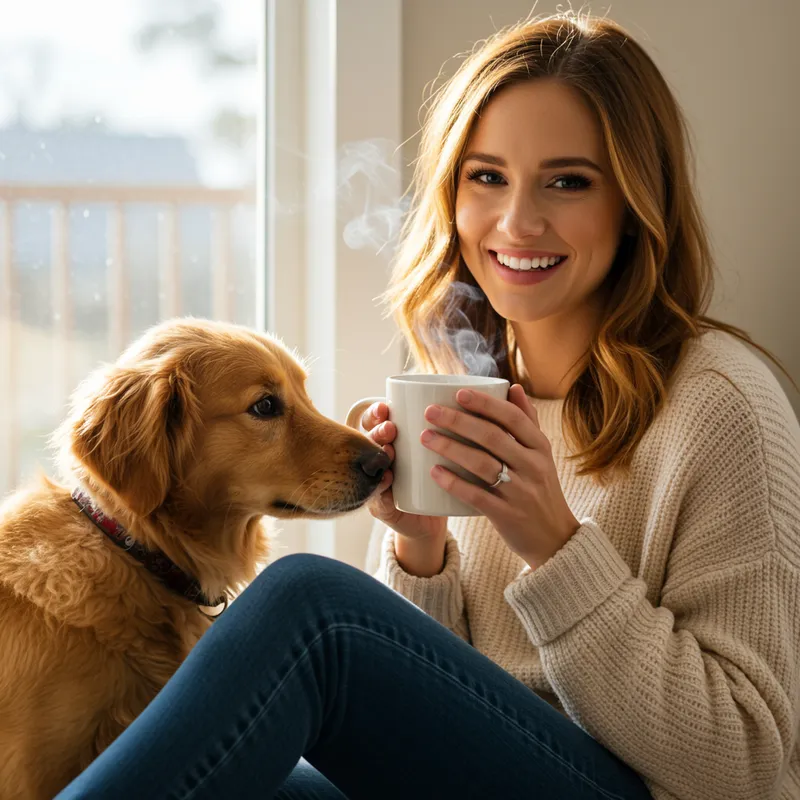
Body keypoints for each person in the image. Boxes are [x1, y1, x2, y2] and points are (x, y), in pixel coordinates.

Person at [59, 10, 800, 800]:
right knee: (241, 771)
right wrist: (422, 553)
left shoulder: (721, 405)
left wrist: (553, 544)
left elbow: (745, 765)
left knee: (312, 606)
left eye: (568, 181)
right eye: (487, 177)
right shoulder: (469, 376)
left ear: (635, 203)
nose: (517, 221)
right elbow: (435, 731)